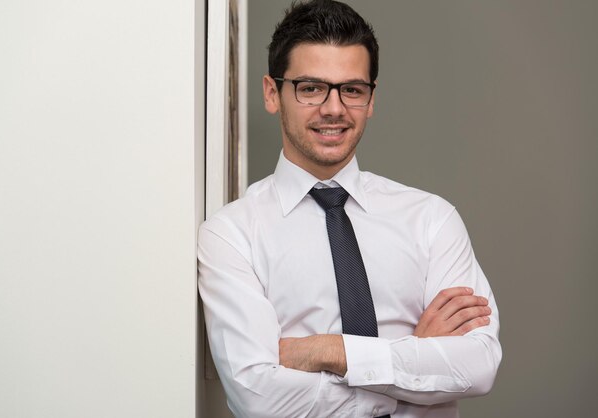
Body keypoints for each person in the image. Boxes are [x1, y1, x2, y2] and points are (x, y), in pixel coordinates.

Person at [198, 1, 501, 416]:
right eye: (311, 88)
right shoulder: (231, 234)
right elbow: (258, 398)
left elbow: (478, 366)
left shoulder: (430, 219)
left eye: (352, 89)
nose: (334, 109)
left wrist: (328, 350)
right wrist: (413, 361)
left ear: (371, 99)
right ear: (273, 93)